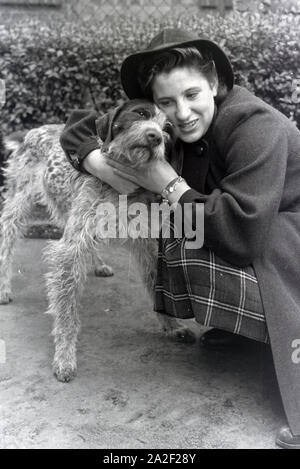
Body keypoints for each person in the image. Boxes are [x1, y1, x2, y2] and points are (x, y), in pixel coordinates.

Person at [60, 28, 300, 449]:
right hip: (267, 237)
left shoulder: (255, 125)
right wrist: (95, 160)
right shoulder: (182, 131)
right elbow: (79, 125)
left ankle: (274, 341)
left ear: (215, 84)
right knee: (175, 226)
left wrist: (169, 182)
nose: (182, 113)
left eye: (192, 95)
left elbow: (241, 233)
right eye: (166, 103)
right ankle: (246, 334)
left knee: (182, 221)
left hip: (287, 242)